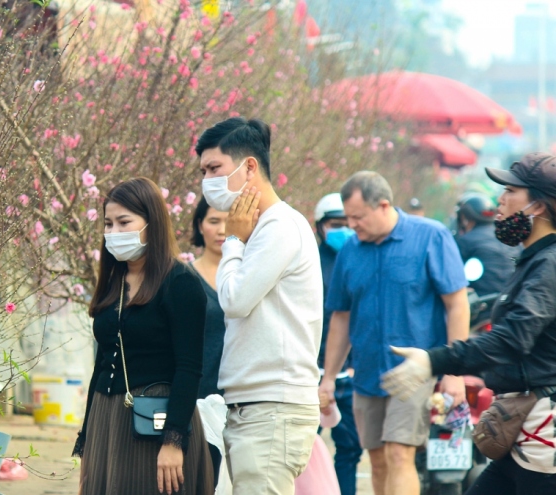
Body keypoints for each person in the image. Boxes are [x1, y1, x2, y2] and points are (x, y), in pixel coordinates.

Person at [382, 152, 556, 495]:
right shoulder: (533, 259)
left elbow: (512, 339)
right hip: (519, 426)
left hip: (542, 430)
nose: (500, 201)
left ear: (536, 206)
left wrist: (435, 360)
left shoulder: (548, 264)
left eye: (510, 192)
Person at [318, 171, 470, 495]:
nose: (352, 226)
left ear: (383, 205)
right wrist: (329, 377)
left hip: (416, 370)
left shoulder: (431, 237)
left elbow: (457, 304)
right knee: (377, 459)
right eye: (348, 219)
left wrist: (454, 371)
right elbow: (341, 317)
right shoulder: (350, 251)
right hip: (367, 371)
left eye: (358, 217)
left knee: (399, 453)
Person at [196, 117, 323, 495]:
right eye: (203, 171)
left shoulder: (280, 226)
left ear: (249, 166)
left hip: (272, 408)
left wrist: (232, 240)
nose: (207, 181)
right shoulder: (261, 229)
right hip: (252, 406)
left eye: (214, 168)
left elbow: (234, 301)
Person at [73, 177, 214, 495]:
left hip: (155, 419)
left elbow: (189, 367)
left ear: (152, 223)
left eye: (124, 222)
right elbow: (102, 363)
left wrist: (174, 440)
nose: (113, 233)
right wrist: (86, 440)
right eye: (108, 224)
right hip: (105, 418)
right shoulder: (114, 282)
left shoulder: (180, 282)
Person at [313, 193, 363, 495]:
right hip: (312, 372)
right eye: (335, 224)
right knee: (302, 447)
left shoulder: (360, 259)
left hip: (350, 373)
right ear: (320, 227)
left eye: (348, 224)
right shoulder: (308, 261)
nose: (342, 230)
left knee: (351, 448)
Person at [189, 196, 228, 485]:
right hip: (196, 399)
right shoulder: (184, 278)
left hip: (239, 399)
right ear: (200, 226)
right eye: (214, 221)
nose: (222, 229)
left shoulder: (251, 275)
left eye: (229, 221)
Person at [454, 192, 520, 297]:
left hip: (479, 303)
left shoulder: (465, 241)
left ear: (464, 217)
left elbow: (452, 277)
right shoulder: (512, 238)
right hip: (511, 301)